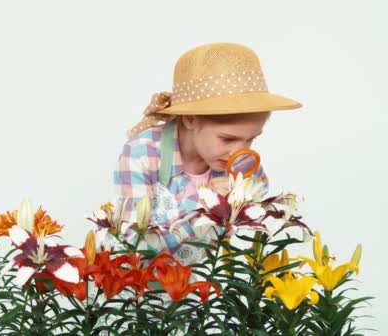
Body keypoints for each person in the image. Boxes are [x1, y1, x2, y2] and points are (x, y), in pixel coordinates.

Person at [112, 42, 302, 265]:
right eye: (227, 139)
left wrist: (246, 205)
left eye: (251, 138)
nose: (240, 151)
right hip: (140, 289)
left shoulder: (244, 165)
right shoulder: (143, 154)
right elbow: (133, 241)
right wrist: (206, 210)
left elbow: (259, 220)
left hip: (206, 287)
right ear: (190, 119)